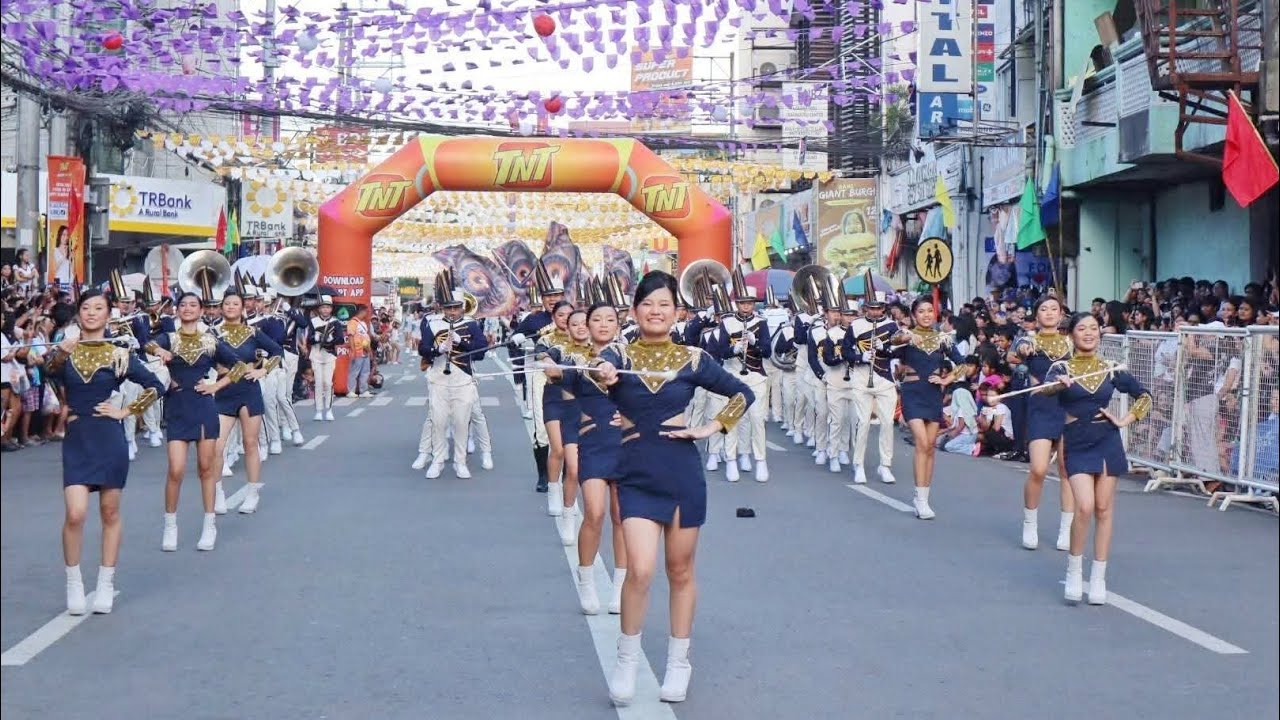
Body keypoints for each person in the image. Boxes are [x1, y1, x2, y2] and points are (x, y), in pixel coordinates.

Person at [590, 271, 754, 707]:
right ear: (635, 311)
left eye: (664, 304)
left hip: (681, 472)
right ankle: (626, 660)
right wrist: (602, 374)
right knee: (640, 570)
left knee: (679, 571)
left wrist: (711, 427)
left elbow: (742, 393)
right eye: (647, 304)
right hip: (636, 472)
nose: (656, 311)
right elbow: (598, 376)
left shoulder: (694, 358)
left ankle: (679, 661)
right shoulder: (616, 355)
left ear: (676, 311)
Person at [44, 289, 164, 614]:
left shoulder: (120, 352)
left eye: (99, 308)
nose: (92, 313)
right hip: (78, 437)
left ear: (109, 314)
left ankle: (106, 583)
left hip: (109, 436)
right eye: (86, 308)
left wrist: (126, 412)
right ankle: (74, 582)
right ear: (78, 313)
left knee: (110, 512)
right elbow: (48, 373)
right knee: (75, 513)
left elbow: (156, 385)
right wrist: (60, 351)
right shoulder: (67, 349)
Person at [1042, 313, 1152, 605]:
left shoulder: (1112, 368)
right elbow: (1044, 391)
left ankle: (1098, 577)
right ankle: (1075, 569)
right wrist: (1059, 384)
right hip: (1076, 441)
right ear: (1072, 335)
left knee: (1103, 509)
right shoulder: (1061, 368)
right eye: (1082, 328)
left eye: (1094, 328)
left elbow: (1144, 396)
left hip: (1107, 439)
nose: (1089, 333)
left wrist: (1125, 420)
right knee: (1085, 507)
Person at [546, 303, 628, 615]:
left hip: (624, 444)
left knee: (622, 516)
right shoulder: (575, 360)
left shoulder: (630, 357)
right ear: (586, 325)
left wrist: (631, 416)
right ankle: (586, 578)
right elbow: (566, 399)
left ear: (618, 324)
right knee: (594, 513)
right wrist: (553, 372)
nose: (604, 325)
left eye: (610, 319)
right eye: (597, 320)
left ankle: (620, 585)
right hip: (593, 443)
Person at [146, 291, 242, 551]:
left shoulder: (210, 341)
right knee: (176, 469)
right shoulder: (169, 337)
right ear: (176, 310)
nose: (187, 308)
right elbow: (146, 343)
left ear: (201, 311)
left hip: (202, 407)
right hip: (177, 407)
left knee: (205, 468)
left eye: (193, 305)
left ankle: (209, 525)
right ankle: (170, 525)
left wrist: (215, 387)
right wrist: (160, 350)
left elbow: (239, 366)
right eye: (183, 305)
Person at [888, 297, 970, 518]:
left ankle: (923, 497)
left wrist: (947, 380)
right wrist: (907, 336)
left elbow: (963, 364)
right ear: (914, 315)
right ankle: (918, 496)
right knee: (922, 443)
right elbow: (891, 343)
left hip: (933, 394)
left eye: (929, 311)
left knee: (931, 446)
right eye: (921, 311)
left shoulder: (942, 339)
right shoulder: (905, 335)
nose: (926, 315)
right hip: (912, 394)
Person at [1009, 294, 1076, 550]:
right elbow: (1013, 357)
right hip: (1040, 407)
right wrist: (1023, 358)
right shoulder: (1029, 339)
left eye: (1054, 309)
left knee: (1066, 470)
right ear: (1036, 315)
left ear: (1061, 314)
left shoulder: (1071, 342)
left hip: (1067, 407)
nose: (1049, 313)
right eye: (1044, 309)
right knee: (1038, 469)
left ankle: (1066, 530)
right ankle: (1030, 522)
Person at [211, 291, 282, 515]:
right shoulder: (213, 334)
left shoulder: (253, 332)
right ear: (221, 308)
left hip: (248, 390)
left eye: (235, 304)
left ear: (243, 308)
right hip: (223, 390)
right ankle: (217, 493)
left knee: (250, 443)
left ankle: (252, 493)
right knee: (216, 446)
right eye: (227, 304)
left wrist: (263, 371)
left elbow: (277, 351)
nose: (230, 307)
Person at [419, 281, 488, 479]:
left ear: (461, 308)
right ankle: (437, 460)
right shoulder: (432, 324)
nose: (452, 312)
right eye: (448, 308)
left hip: (463, 378)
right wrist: (437, 350)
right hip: (438, 378)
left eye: (456, 308)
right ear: (442, 308)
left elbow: (481, 351)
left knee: (461, 422)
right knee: (439, 422)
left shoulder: (471, 324)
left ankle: (460, 462)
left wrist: (461, 342)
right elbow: (422, 349)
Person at [509, 264, 566, 496]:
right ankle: (543, 474)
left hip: (569, 374)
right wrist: (520, 338)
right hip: (539, 375)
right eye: (548, 296)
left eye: (556, 295)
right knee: (541, 428)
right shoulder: (533, 320)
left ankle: (567, 472)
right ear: (542, 299)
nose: (552, 300)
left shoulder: (572, 316)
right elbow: (514, 339)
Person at [716, 281, 771, 481]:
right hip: (732, 377)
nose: (746, 307)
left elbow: (768, 351)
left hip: (756, 377)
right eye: (742, 303)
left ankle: (760, 460)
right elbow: (720, 351)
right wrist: (734, 350)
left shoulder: (761, 323)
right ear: (737, 304)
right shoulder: (727, 323)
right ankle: (731, 460)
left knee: (757, 420)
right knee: (732, 420)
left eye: (749, 303)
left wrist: (755, 344)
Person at [844, 288, 899, 485]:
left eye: (879, 308)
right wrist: (860, 357)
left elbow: (899, 351)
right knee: (863, 423)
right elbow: (845, 351)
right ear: (866, 308)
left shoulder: (892, 326)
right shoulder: (856, 325)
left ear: (884, 308)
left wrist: (885, 348)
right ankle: (858, 464)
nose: (875, 312)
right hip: (861, 378)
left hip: (884, 378)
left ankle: (885, 465)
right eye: (872, 308)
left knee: (887, 423)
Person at [534, 300, 579, 528]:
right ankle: (553, 487)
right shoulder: (548, 341)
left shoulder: (585, 342)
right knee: (558, 448)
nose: (565, 319)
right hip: (553, 396)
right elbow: (541, 356)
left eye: (570, 315)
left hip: (578, 401)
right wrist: (547, 360)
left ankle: (569, 497)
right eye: (561, 315)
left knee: (574, 457)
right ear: (555, 317)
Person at [307, 296, 344, 422]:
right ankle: (318, 410)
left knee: (328, 383)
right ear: (319, 309)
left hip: (329, 356)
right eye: (323, 307)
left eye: (327, 307)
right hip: (316, 355)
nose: (325, 310)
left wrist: (331, 339)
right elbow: (309, 339)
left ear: (331, 309)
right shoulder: (313, 321)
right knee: (318, 383)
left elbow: (341, 339)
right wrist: (316, 338)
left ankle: (328, 409)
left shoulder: (335, 322)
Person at [346, 304, 374, 397]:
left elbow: (365, 336)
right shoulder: (352, 322)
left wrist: (369, 350)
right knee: (354, 371)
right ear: (361, 311)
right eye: (366, 311)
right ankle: (351, 391)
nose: (367, 313)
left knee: (365, 371)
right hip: (357, 351)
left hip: (365, 350)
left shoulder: (364, 323)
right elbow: (350, 336)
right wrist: (353, 350)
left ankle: (363, 391)